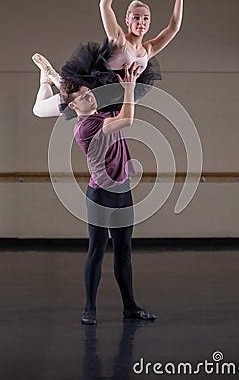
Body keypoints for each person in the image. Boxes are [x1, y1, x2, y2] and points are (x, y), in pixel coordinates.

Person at [59, 62, 157, 325]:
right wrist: (128, 89)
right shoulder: (84, 128)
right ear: (72, 106)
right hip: (101, 196)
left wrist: (127, 77)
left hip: (123, 193)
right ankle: (89, 308)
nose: (90, 96)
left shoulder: (101, 113)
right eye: (83, 97)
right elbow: (127, 119)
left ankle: (130, 307)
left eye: (89, 92)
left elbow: (118, 102)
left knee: (124, 252)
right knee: (97, 251)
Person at [32, 0, 183, 118]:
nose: (141, 22)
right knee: (38, 110)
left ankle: (50, 79)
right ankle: (51, 79)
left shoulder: (148, 50)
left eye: (146, 19)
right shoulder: (119, 40)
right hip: (89, 92)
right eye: (136, 18)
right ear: (128, 20)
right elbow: (104, 5)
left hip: (112, 99)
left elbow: (173, 28)